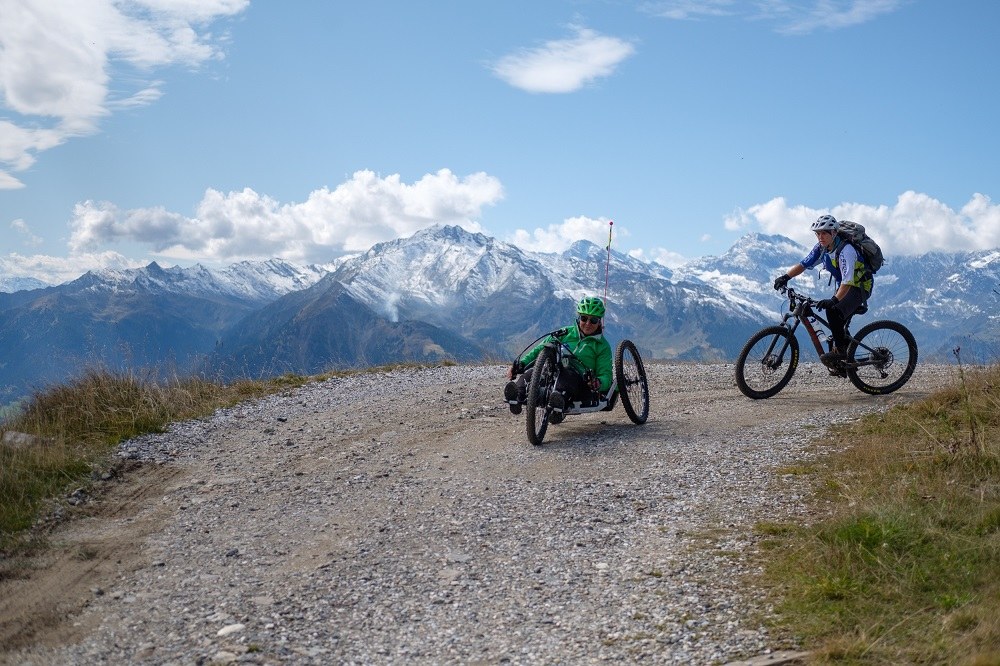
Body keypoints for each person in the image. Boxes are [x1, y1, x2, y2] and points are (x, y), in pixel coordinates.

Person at [773, 214, 874, 373]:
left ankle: (840, 352)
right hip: (844, 286)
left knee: (833, 312)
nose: (820, 237)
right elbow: (803, 264)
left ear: (834, 233)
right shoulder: (821, 248)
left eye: (824, 233)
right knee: (837, 326)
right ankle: (845, 362)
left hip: (859, 287)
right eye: (818, 233)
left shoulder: (846, 250)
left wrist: (833, 300)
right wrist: (785, 277)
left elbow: (848, 281)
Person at [503, 296, 614, 416]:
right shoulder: (564, 333)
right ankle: (516, 396)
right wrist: (522, 363)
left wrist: (598, 382)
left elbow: (606, 375)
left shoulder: (602, 346)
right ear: (579, 317)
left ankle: (557, 404)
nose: (587, 323)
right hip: (553, 370)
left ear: (599, 322)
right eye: (584, 318)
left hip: (578, 379)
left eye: (593, 320)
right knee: (532, 373)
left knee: (567, 377)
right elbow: (540, 349)